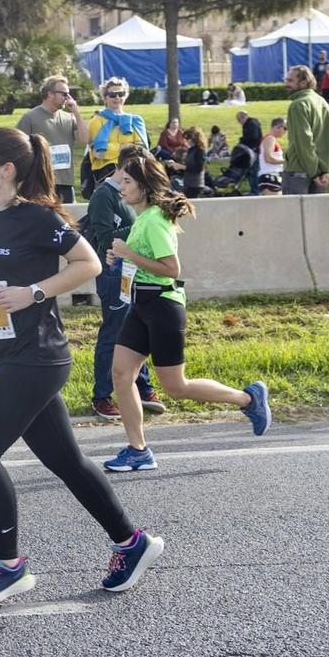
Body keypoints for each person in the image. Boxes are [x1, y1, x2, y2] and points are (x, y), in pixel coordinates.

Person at [0, 128, 162, 604]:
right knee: (65, 460)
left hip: (39, 357)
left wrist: (35, 292)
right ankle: (132, 543)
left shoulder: (37, 218)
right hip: (9, 352)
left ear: (7, 169)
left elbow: (87, 263)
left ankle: (8, 565)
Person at [101, 147, 272, 472]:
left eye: (126, 182)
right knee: (122, 375)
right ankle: (138, 450)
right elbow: (140, 260)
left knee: (175, 388)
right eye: (119, 181)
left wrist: (129, 254)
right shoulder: (141, 219)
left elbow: (171, 268)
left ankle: (248, 399)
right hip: (141, 304)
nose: (120, 187)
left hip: (163, 306)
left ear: (143, 185)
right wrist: (120, 256)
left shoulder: (153, 221)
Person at [78, 147, 156, 420]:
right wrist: (141, 225)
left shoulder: (132, 195)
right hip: (112, 272)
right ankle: (102, 396)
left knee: (136, 329)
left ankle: (143, 387)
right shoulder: (104, 195)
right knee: (114, 332)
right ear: (128, 166)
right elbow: (104, 236)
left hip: (133, 270)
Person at [16, 77, 83, 203]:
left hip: (66, 183)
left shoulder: (70, 118)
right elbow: (18, 150)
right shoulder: (30, 117)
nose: (68, 98)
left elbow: (85, 139)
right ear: (50, 94)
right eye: (64, 94)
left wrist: (76, 112)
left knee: (68, 222)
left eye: (69, 94)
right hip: (40, 184)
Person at [280, 65, 329, 195]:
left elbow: (304, 142)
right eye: (286, 80)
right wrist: (328, 171)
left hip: (299, 172)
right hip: (321, 173)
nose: (286, 84)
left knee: (293, 215)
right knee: (317, 215)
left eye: (290, 81)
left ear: (304, 82)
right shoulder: (322, 102)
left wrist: (314, 173)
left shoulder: (297, 105)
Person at [85, 80, 148, 195]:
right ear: (105, 97)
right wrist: (126, 147)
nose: (117, 97)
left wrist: (112, 148)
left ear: (126, 95)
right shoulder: (96, 121)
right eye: (112, 94)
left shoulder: (135, 121)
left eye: (121, 93)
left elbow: (141, 150)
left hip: (132, 173)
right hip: (106, 174)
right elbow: (99, 154)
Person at [175, 126, 209, 198]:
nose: (185, 142)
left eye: (187, 140)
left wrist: (182, 167)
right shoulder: (191, 150)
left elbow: (198, 168)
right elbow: (188, 166)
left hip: (196, 185)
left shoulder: (200, 151)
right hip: (188, 184)